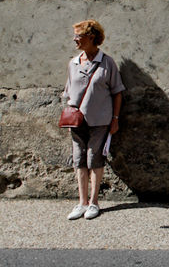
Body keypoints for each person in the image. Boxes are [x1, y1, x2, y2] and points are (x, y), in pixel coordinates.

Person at [63, 20, 125, 220]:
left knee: (94, 158)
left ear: (91, 37)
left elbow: (117, 93)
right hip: (76, 120)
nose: (75, 39)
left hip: (100, 120)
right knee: (79, 159)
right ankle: (81, 202)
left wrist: (115, 119)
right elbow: (68, 92)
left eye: (78, 36)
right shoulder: (73, 63)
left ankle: (94, 202)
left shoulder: (107, 63)